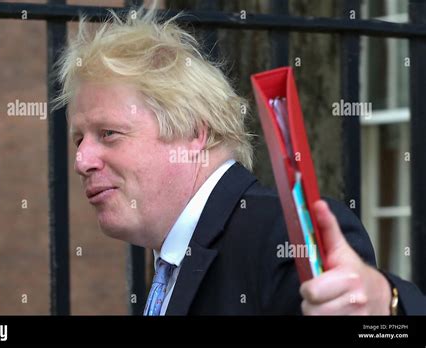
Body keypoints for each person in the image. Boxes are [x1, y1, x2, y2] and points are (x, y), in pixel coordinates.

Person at [53, 6, 426, 315]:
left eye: (109, 134)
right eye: (78, 139)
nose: (82, 160)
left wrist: (386, 305)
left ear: (194, 133)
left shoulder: (282, 233)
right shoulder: (172, 261)